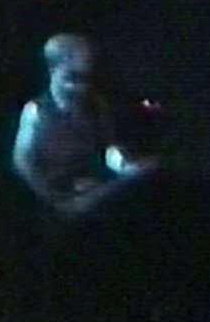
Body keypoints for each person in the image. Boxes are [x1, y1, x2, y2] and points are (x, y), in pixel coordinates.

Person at [11, 33, 159, 220]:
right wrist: (53, 197)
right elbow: (22, 160)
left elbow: (109, 148)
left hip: (88, 187)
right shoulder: (37, 110)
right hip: (53, 196)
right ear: (52, 70)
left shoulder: (96, 106)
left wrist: (126, 167)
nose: (80, 88)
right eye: (71, 78)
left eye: (87, 79)